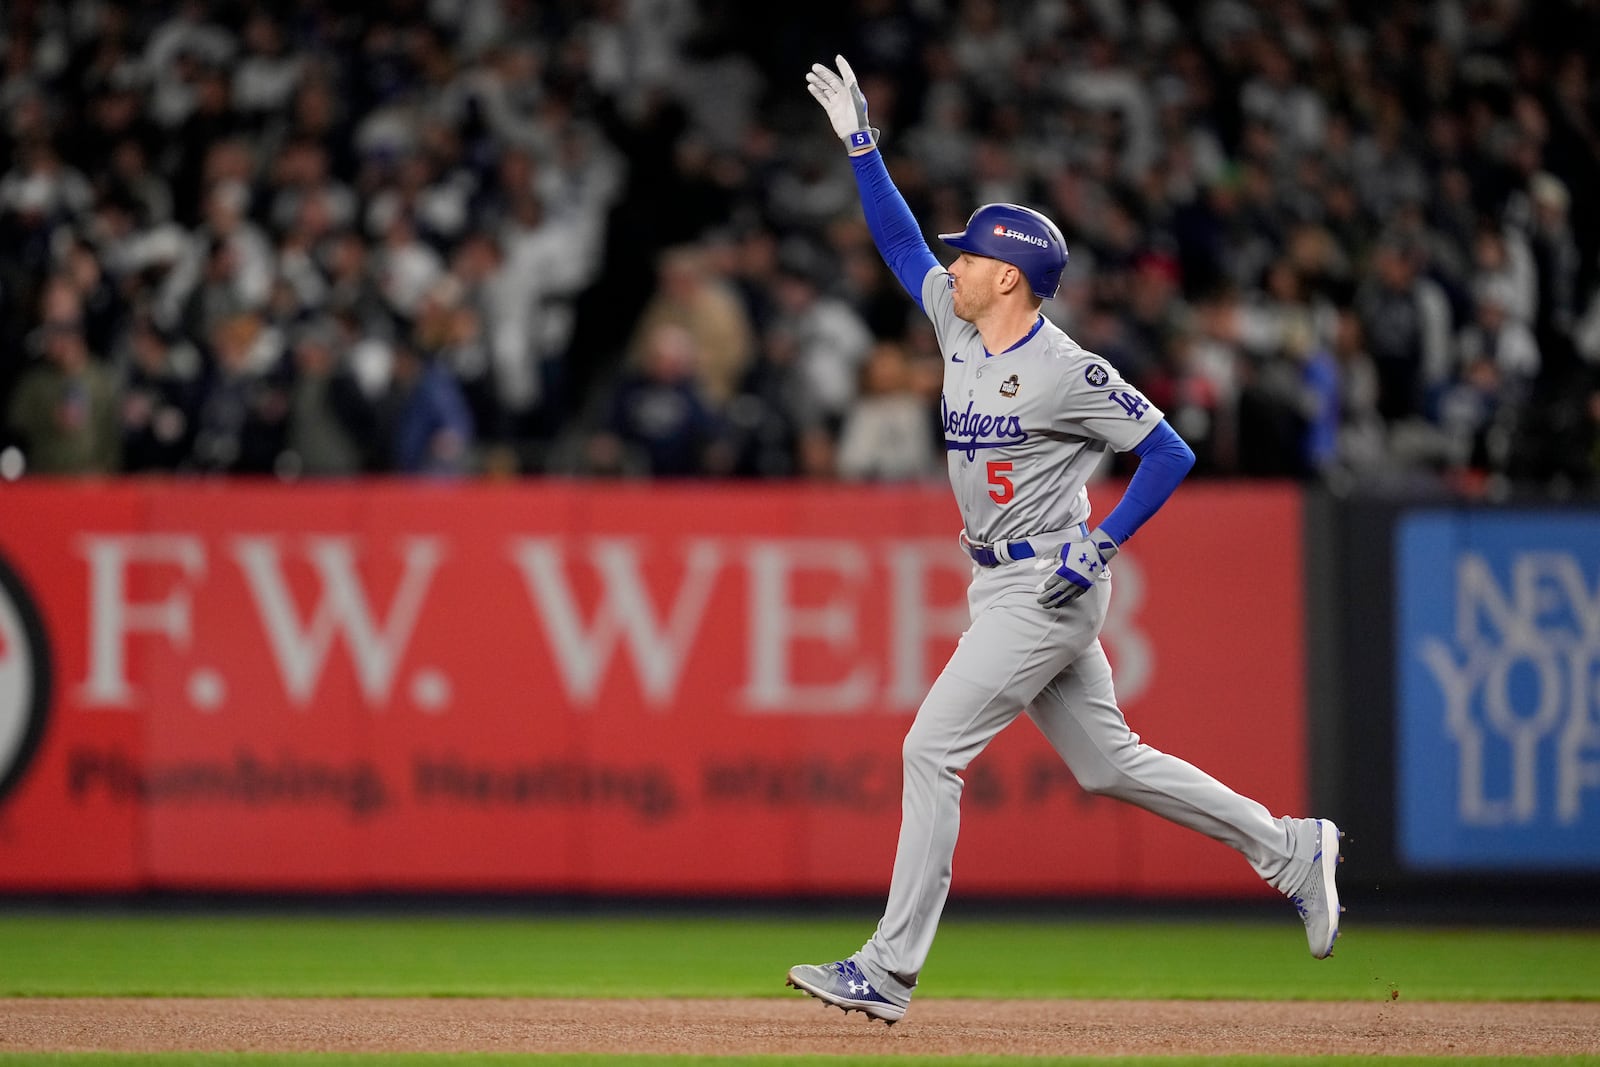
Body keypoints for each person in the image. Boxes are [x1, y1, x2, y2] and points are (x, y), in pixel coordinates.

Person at [785, 56, 1343, 1026]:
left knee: (929, 748)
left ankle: (887, 967)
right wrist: (860, 146)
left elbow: (1168, 450)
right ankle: (1285, 843)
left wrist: (1108, 540)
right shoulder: (957, 331)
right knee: (1107, 763)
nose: (949, 265)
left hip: (1047, 581)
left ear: (1007, 274)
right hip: (998, 580)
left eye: (969, 256)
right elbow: (897, 241)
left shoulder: (1066, 369)